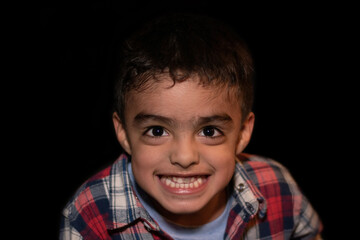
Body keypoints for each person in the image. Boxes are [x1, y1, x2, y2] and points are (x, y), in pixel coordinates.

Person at [60, 13, 322, 240]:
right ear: (124, 133)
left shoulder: (277, 186)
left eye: (209, 131)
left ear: (243, 133)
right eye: (157, 131)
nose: (184, 157)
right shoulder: (90, 212)